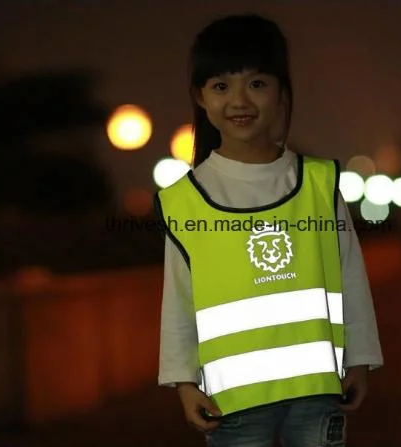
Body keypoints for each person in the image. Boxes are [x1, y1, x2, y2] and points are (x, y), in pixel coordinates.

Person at [154, 13, 383, 447]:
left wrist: (362, 359)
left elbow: (351, 274)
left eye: (257, 83)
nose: (240, 100)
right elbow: (179, 299)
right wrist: (183, 383)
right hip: (233, 402)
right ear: (200, 98)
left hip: (316, 391)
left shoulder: (319, 183)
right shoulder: (184, 200)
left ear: (282, 93)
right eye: (221, 86)